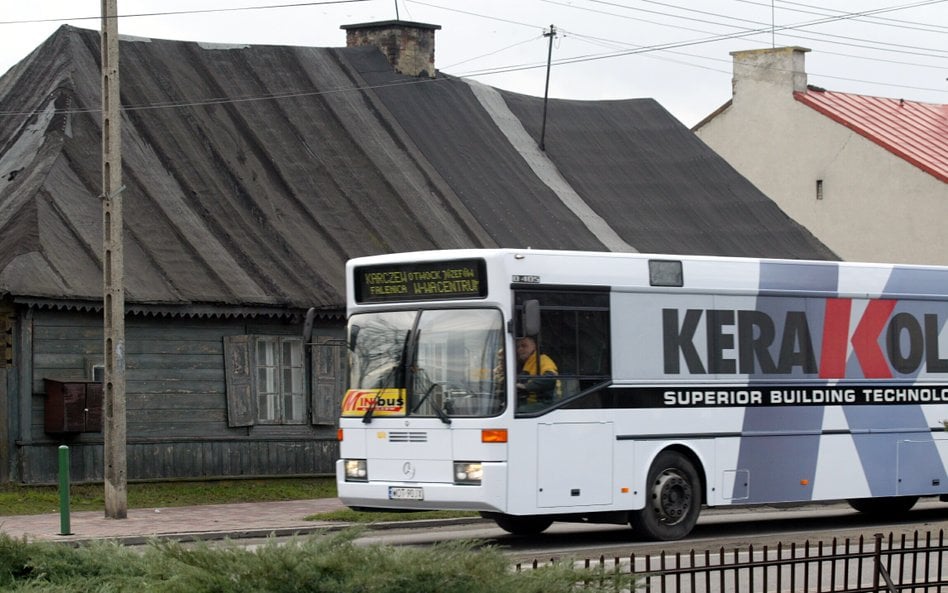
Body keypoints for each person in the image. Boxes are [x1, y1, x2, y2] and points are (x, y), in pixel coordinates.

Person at [516, 336, 558, 404]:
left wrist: (525, 386)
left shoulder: (542, 360)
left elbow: (551, 377)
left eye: (524, 345)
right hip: (530, 403)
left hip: (543, 404)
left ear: (534, 346)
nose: (520, 349)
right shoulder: (527, 363)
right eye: (518, 347)